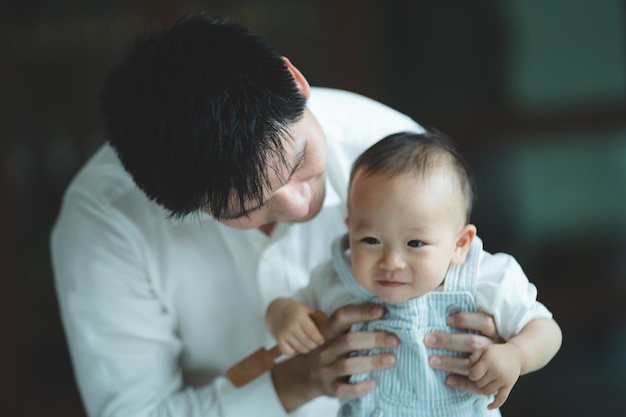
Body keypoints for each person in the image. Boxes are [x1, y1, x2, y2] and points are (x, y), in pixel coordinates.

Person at [51, 13, 504, 417]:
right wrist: (297, 381)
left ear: (296, 81)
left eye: (298, 159)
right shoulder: (105, 219)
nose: (297, 204)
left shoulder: (394, 152)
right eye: (248, 207)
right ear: (182, 208)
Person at [266, 131, 562, 416]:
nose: (392, 261)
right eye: (370, 240)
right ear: (350, 229)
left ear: (459, 245)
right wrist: (283, 314)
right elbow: (291, 306)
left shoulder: (487, 279)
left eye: (415, 243)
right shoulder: (336, 278)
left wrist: (517, 354)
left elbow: (546, 330)